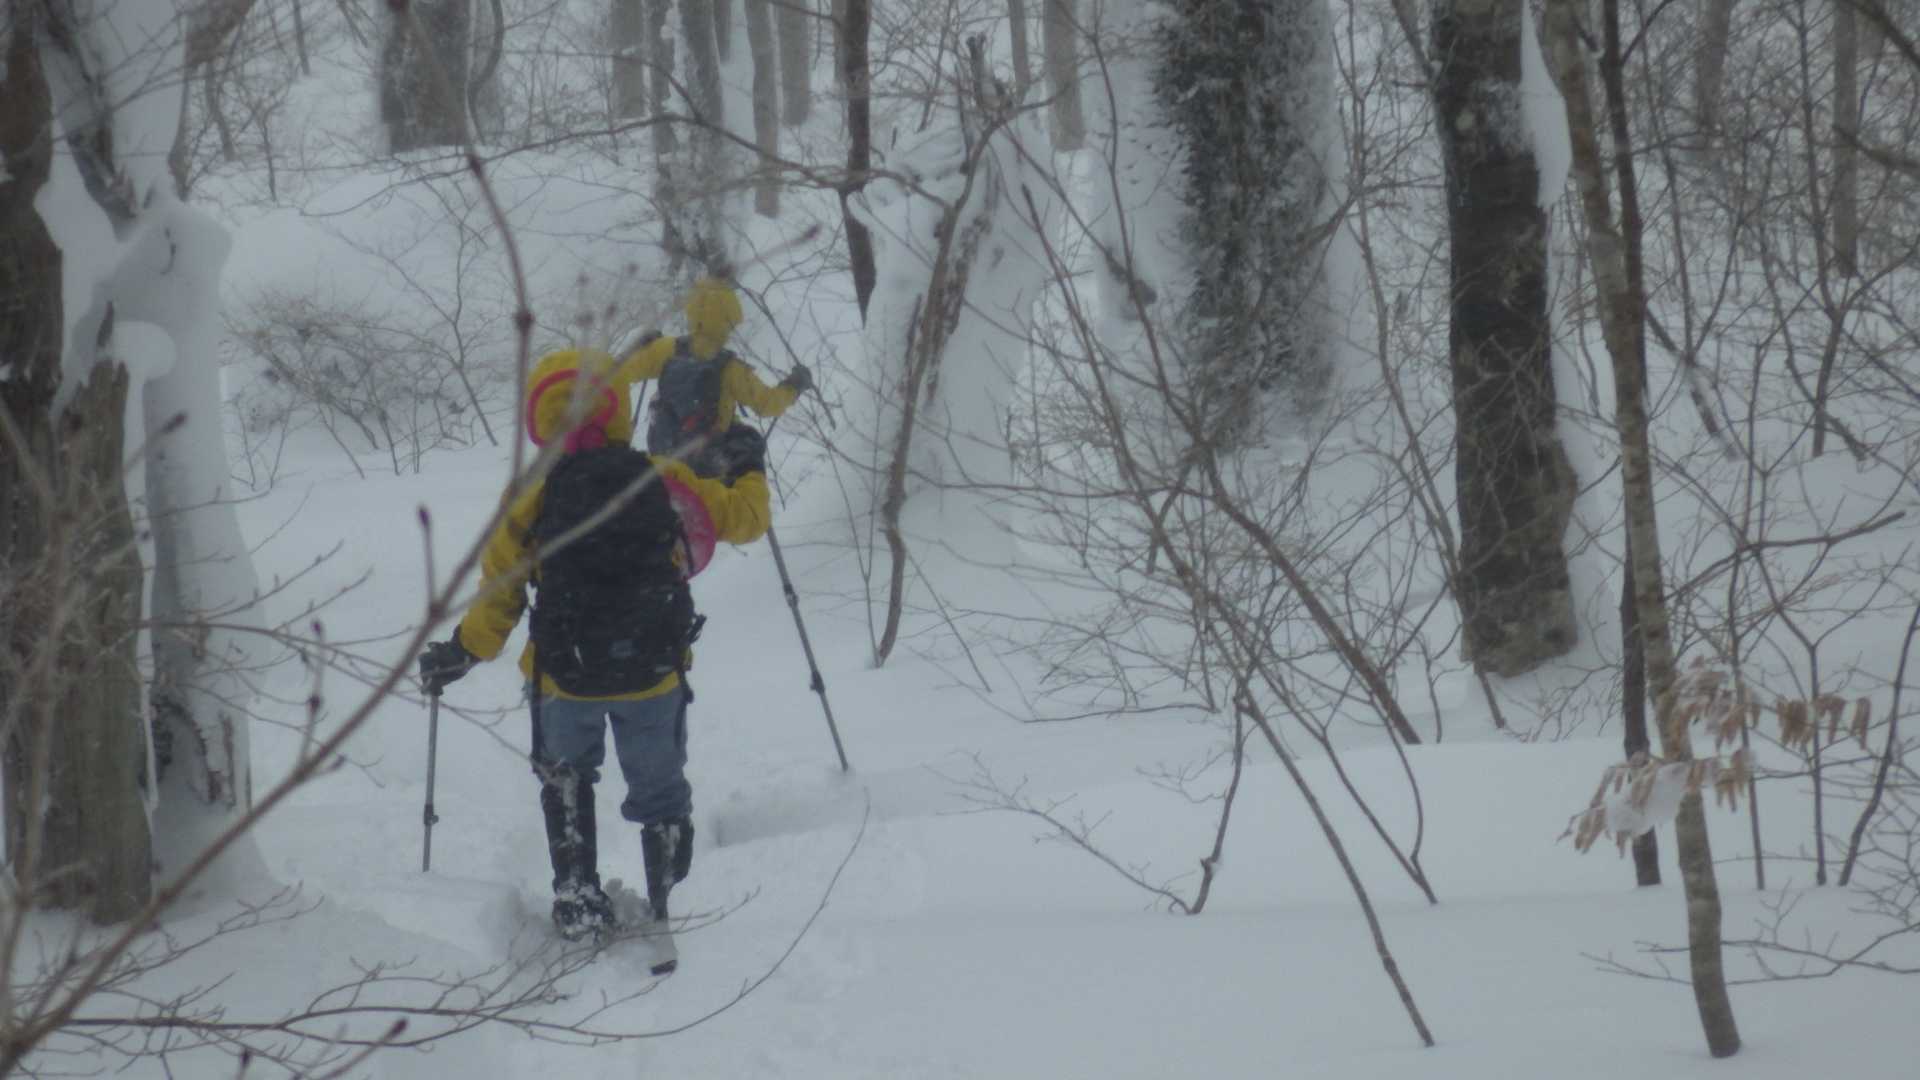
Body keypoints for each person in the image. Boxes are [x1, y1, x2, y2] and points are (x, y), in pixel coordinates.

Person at [418, 347, 771, 950]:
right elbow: (746, 520)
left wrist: (462, 652)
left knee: (566, 777)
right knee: (660, 787)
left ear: (540, 420)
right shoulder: (663, 477)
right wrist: (749, 466)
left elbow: (501, 594)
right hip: (654, 673)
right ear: (618, 410)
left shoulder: (532, 496)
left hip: (564, 676)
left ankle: (578, 894)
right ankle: (669, 895)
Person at [618, 277, 814, 475]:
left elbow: (621, 372)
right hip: (707, 465)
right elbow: (767, 404)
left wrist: (640, 348)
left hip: (664, 457)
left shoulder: (667, 348)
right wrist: (794, 386)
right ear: (726, 320)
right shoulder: (730, 368)